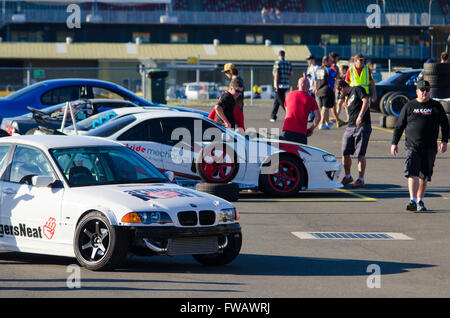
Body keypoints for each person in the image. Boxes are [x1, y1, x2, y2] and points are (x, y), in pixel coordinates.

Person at [391, 80, 448, 212]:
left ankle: (419, 201)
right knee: (412, 172)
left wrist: (444, 141)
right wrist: (394, 143)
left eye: (427, 90)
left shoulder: (436, 106)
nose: (424, 92)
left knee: (424, 175)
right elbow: (399, 126)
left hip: (429, 147)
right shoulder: (410, 106)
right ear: (417, 91)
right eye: (422, 90)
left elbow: (445, 124)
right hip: (412, 146)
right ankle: (412, 200)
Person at [335, 80, 372, 188]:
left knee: (360, 154)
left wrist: (360, 116)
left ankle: (361, 179)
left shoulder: (357, 89)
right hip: (350, 127)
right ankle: (348, 176)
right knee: (345, 152)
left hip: (362, 126)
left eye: (339, 92)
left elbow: (366, 101)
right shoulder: (347, 98)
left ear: (342, 87)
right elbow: (350, 113)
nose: (339, 94)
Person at [280, 77, 321, 144]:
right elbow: (318, 117)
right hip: (301, 133)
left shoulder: (288, 95)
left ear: (298, 85)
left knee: (285, 153)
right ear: (308, 87)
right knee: (300, 154)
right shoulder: (311, 99)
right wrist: (312, 128)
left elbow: (287, 111)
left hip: (287, 131)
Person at [314, 55, 337, 130]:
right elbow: (336, 75)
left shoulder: (317, 69)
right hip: (327, 90)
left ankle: (326, 122)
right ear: (326, 62)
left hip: (319, 90)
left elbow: (315, 80)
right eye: (330, 61)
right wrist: (337, 69)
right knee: (325, 107)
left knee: (325, 107)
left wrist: (315, 88)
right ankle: (322, 123)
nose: (332, 62)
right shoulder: (329, 69)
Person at [270, 50, 293, 122]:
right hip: (286, 84)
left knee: (281, 101)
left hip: (279, 84)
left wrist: (275, 84)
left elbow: (276, 74)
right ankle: (273, 116)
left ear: (278, 55)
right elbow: (291, 74)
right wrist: (286, 77)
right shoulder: (288, 63)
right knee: (277, 100)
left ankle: (289, 113)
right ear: (284, 55)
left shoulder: (277, 63)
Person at [306, 55, 319, 122]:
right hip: (308, 87)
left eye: (309, 59)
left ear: (313, 60)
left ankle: (312, 116)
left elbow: (316, 79)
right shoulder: (309, 68)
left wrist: (315, 87)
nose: (308, 61)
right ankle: (311, 115)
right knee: (309, 102)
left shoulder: (316, 67)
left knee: (311, 102)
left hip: (312, 87)